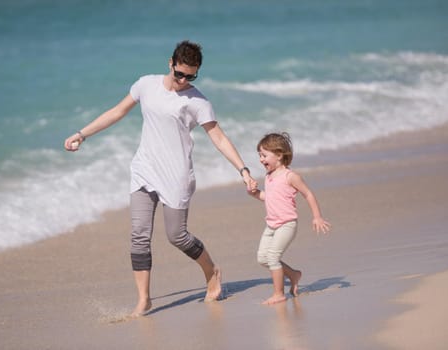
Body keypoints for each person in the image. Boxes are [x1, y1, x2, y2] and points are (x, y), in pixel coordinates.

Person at [64, 40, 256, 316]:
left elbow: (218, 137)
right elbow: (117, 112)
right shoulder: (146, 84)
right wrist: (82, 134)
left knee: (176, 236)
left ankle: (211, 270)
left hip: (176, 175)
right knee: (139, 236)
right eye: (180, 74)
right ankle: (144, 299)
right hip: (144, 169)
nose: (183, 80)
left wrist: (243, 170)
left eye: (191, 76)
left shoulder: (198, 101)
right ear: (170, 63)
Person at [247, 132, 330, 305]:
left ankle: (279, 293)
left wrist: (317, 216)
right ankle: (293, 275)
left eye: (264, 155)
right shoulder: (269, 177)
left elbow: (308, 194)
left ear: (279, 155)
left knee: (273, 258)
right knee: (262, 258)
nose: (261, 160)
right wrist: (254, 193)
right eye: (259, 156)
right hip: (271, 225)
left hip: (287, 224)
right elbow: (268, 197)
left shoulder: (290, 176)